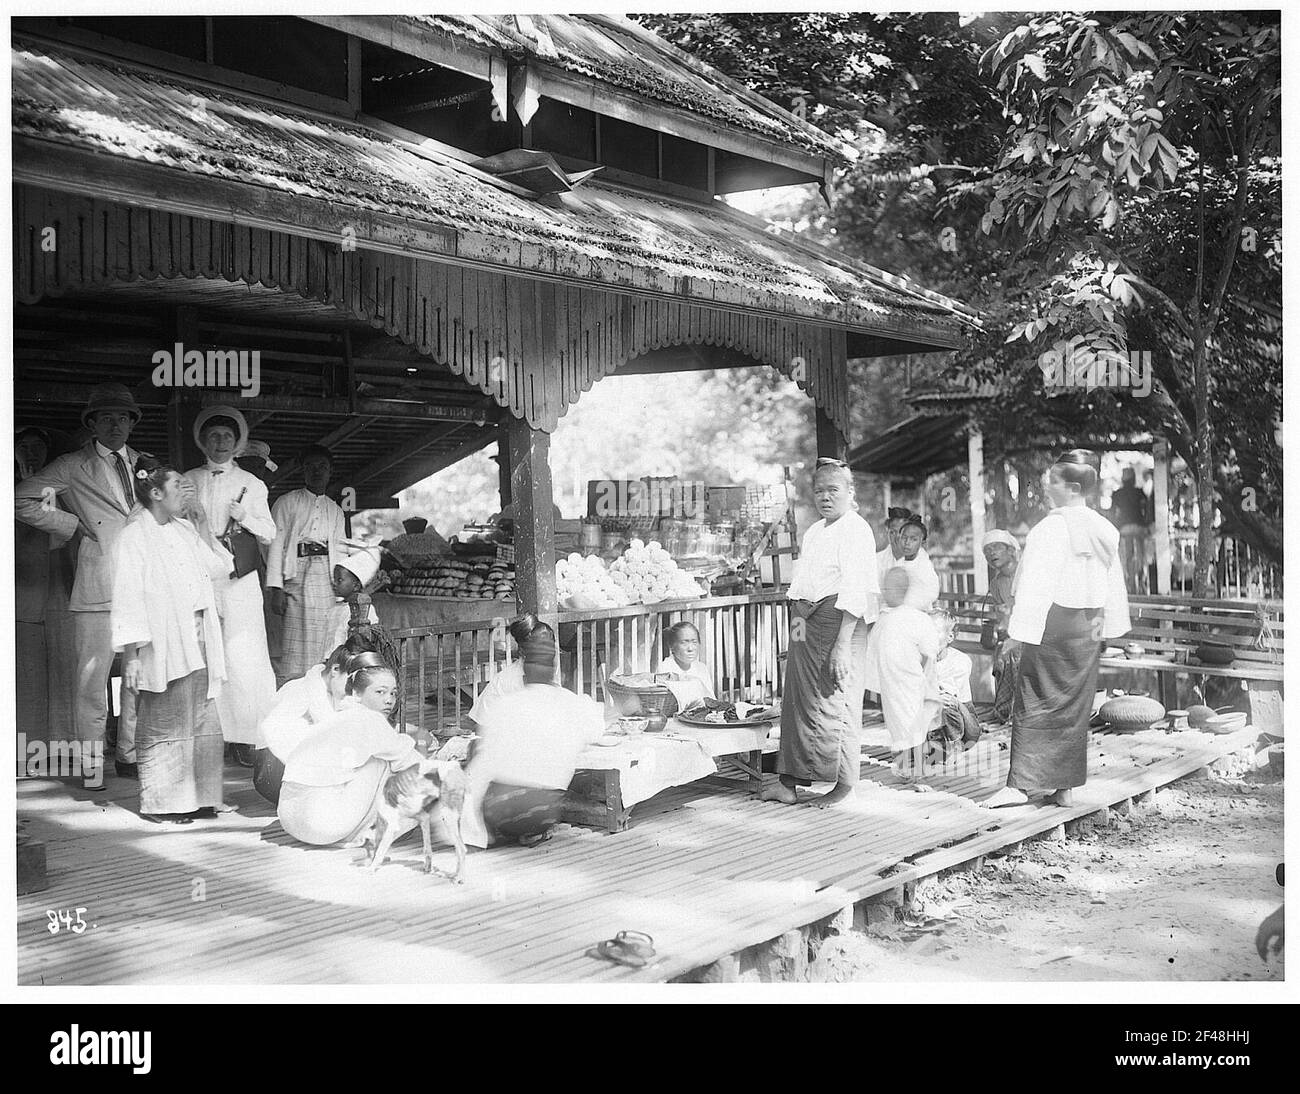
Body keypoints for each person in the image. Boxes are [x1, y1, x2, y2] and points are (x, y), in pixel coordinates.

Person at [982, 450, 1131, 809]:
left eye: (1054, 480)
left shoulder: (1051, 528)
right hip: (1089, 626)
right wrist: (1109, 629)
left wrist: (1017, 634)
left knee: (1035, 698)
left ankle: (1021, 785)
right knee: (1073, 706)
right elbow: (1114, 586)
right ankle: (1062, 786)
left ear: (1073, 487)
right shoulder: (1104, 527)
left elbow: (1036, 585)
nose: (1047, 485)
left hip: (1055, 623)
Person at [15, 383, 147, 786]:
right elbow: (19, 499)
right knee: (91, 680)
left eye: (122, 417)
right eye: (106, 417)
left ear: (131, 423)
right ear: (91, 424)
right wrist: (73, 526)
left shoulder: (146, 462)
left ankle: (130, 754)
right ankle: (91, 764)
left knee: (138, 678)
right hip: (97, 585)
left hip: (142, 587)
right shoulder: (73, 465)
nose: (115, 425)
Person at [110, 457, 230, 824]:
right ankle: (164, 802)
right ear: (156, 493)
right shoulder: (133, 536)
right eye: (179, 486)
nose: (186, 491)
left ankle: (204, 797)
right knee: (165, 718)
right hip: (161, 638)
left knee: (203, 716)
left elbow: (219, 568)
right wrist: (131, 654)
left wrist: (203, 523)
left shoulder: (183, 529)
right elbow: (127, 595)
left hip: (198, 635)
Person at [763, 458, 878, 809]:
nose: (825, 497)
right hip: (805, 622)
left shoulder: (857, 529)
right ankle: (789, 783)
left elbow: (856, 591)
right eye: (819, 491)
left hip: (839, 622)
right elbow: (801, 587)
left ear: (849, 492)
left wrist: (842, 646)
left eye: (833, 490)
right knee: (797, 700)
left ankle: (845, 787)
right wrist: (795, 638)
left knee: (836, 698)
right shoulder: (815, 531)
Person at [185, 406, 278, 768]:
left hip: (239, 580)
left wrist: (247, 517)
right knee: (204, 654)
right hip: (200, 577)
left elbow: (270, 532)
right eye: (213, 436)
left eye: (227, 437)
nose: (220, 443)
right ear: (202, 441)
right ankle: (210, 736)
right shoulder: (188, 478)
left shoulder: (252, 485)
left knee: (245, 657)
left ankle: (248, 737)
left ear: (238, 442)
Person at [467, 622, 605, 846]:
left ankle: (490, 828)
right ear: (551, 668)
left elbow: (486, 744)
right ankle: (530, 828)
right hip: (545, 812)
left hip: (499, 810)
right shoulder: (565, 699)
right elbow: (595, 730)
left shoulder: (509, 704)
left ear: (527, 667)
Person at [277, 652, 419, 847]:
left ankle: (362, 828)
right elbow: (412, 761)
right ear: (357, 694)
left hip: (290, 820)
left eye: (393, 693)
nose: (389, 700)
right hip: (322, 827)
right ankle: (374, 830)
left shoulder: (336, 716)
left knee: (379, 757)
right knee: (388, 763)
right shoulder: (371, 719)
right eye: (380, 692)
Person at [253, 635, 373, 805]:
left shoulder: (332, 692)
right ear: (335, 670)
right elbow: (271, 730)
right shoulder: (300, 690)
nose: (353, 691)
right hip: (274, 771)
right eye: (351, 685)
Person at [266, 444, 346, 687]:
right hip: (296, 572)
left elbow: (340, 549)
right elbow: (275, 544)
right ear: (303, 471)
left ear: (330, 471)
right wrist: (275, 588)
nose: (317, 471)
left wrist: (343, 587)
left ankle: (319, 688)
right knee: (295, 639)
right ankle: (293, 688)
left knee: (324, 636)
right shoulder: (287, 502)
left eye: (322, 467)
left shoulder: (336, 510)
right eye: (311, 467)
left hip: (325, 575)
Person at [863, 569, 942, 780]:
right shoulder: (883, 618)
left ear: (904, 590)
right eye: (885, 588)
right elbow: (871, 652)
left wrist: (920, 676)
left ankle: (918, 771)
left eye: (890, 588)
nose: (886, 592)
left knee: (912, 723)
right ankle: (909, 766)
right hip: (891, 682)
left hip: (912, 679)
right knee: (899, 724)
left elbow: (929, 651)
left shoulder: (917, 617)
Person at [463, 614, 559, 733]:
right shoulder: (508, 680)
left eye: (550, 645)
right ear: (523, 651)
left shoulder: (546, 670)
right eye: (539, 648)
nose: (547, 652)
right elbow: (482, 725)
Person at [929, 609, 982, 758]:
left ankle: (954, 745)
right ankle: (934, 747)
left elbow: (949, 696)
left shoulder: (960, 661)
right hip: (932, 719)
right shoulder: (919, 661)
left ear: (950, 636)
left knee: (944, 702)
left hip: (964, 721)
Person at [982, 529, 1022, 722]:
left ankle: (1019, 712)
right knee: (1003, 650)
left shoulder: (1026, 574)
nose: (991, 553)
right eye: (987, 550)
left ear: (1011, 550)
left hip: (1035, 633)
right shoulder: (996, 583)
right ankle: (1004, 709)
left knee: (1013, 651)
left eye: (996, 547)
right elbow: (1003, 617)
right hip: (1013, 634)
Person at [875, 514, 941, 609]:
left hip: (915, 613)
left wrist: (906, 605)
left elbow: (932, 593)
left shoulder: (924, 565)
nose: (907, 543)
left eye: (913, 539)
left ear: (922, 543)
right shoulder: (894, 562)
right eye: (904, 538)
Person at [1109, 466, 1150, 593]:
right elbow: (1147, 510)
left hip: (1124, 529)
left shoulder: (1117, 494)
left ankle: (1127, 585)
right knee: (1142, 557)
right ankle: (1142, 585)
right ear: (1133, 479)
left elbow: (1113, 513)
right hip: (1139, 528)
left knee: (1126, 557)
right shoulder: (1139, 492)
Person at [655, 621, 716, 700]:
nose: (690, 648)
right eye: (684, 643)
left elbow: (711, 699)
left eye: (694, 642)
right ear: (671, 646)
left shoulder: (701, 668)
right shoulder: (666, 668)